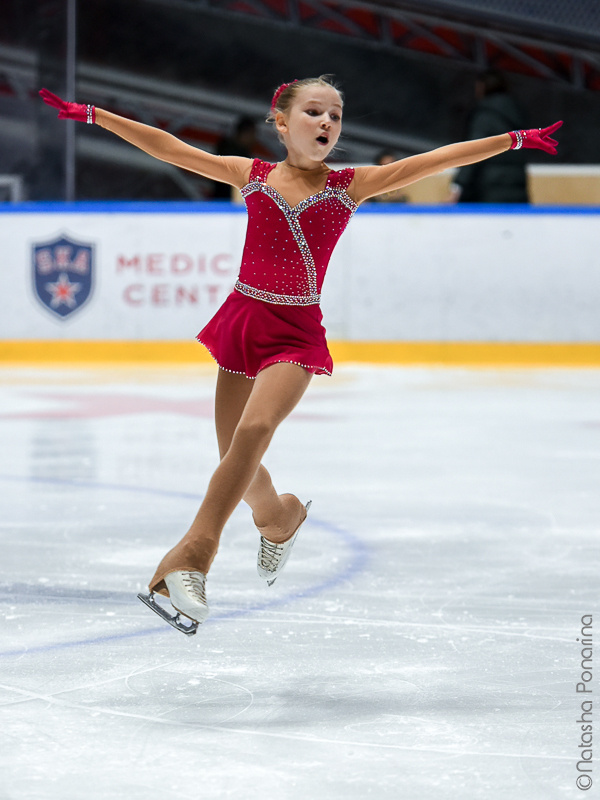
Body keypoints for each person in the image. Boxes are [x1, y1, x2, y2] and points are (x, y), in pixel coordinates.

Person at [39, 78, 561, 635]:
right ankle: (279, 518)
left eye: (335, 115)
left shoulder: (350, 185)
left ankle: (193, 554)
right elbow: (172, 148)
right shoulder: (252, 175)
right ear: (282, 122)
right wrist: (97, 115)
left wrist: (511, 140)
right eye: (314, 112)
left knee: (255, 429)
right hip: (244, 320)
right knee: (236, 461)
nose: (327, 122)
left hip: (294, 333)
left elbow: (436, 160)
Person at [449, 70, 530, 204]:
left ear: (482, 87)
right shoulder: (517, 114)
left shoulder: (485, 117)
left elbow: (472, 152)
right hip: (517, 190)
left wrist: (457, 187)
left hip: (488, 191)